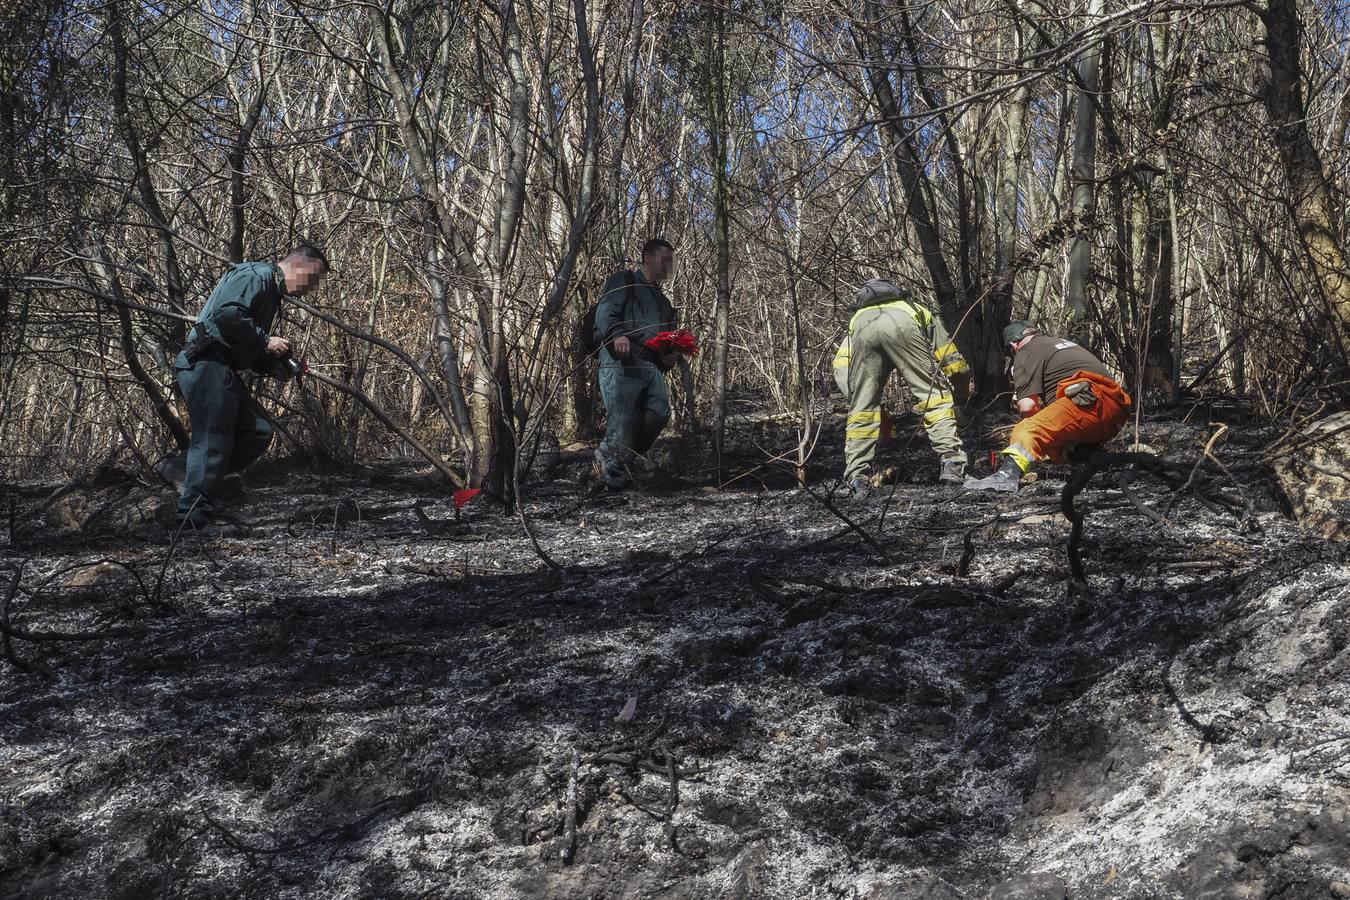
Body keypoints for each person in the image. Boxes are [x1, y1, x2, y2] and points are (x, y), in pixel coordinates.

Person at [174, 245, 329, 532]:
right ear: (298, 267)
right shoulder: (255, 275)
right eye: (312, 279)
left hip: (223, 368)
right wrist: (265, 340)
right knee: (213, 439)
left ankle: (180, 471)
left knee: (258, 430)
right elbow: (227, 315)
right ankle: (193, 516)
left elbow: (245, 342)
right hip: (205, 362)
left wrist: (276, 368)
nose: (311, 289)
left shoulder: (270, 292)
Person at [964, 320, 1131, 493]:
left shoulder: (1026, 351)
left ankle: (1007, 475)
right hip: (1116, 411)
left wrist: (1032, 436)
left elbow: (1027, 407)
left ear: (1014, 345)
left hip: (1087, 402)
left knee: (1028, 429)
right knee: (1056, 440)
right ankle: (1097, 460)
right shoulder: (1057, 344)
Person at [840, 278, 970, 493]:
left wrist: (858, 399)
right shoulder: (913, 308)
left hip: (865, 335)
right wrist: (962, 392)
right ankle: (952, 463)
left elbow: (841, 367)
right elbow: (950, 356)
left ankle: (857, 477)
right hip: (904, 328)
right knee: (933, 396)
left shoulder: (857, 319)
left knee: (861, 410)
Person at [592, 238, 680, 490]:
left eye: (671, 261)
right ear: (647, 257)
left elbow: (666, 338)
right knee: (623, 419)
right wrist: (616, 333)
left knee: (659, 411)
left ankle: (619, 458)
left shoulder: (663, 302)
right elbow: (604, 312)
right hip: (620, 360)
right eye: (664, 259)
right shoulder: (625, 281)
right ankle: (612, 483)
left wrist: (669, 355)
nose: (668, 265)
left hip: (650, 366)